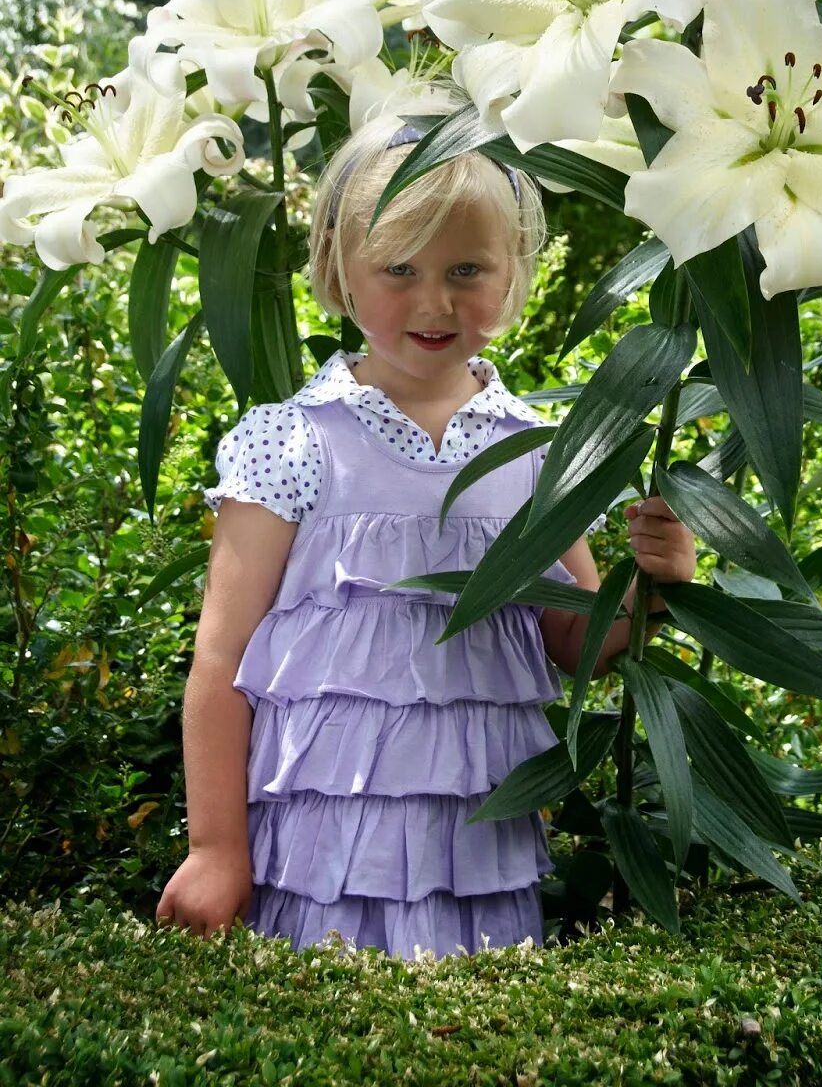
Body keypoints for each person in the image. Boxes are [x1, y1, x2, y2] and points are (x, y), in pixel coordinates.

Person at [155, 121, 696, 958]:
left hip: (479, 856)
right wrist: (215, 848)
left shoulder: (541, 451)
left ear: (514, 270)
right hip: (316, 859)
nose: (434, 302)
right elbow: (221, 661)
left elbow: (576, 639)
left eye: (466, 270)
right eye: (399, 270)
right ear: (340, 267)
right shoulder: (291, 443)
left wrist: (652, 585)